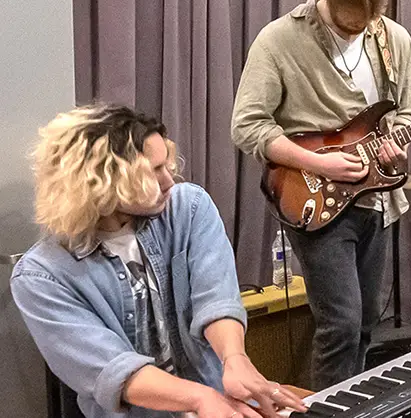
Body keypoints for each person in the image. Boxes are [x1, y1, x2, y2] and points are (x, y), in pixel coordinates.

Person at [11, 104, 306, 418]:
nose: (169, 181)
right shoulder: (41, 277)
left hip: (217, 401)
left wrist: (235, 359)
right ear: (100, 181)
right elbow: (113, 370)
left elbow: (216, 299)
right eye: (152, 172)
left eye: (166, 165)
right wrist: (199, 399)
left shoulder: (188, 208)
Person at [231, 0, 411, 391]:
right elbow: (247, 126)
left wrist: (397, 145)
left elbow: (407, 112)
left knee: (366, 322)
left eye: (369, 19)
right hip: (315, 200)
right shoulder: (279, 40)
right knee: (341, 323)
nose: (360, 28)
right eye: (350, 20)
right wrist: (319, 164)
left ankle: (351, 403)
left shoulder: (395, 40)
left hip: (378, 199)